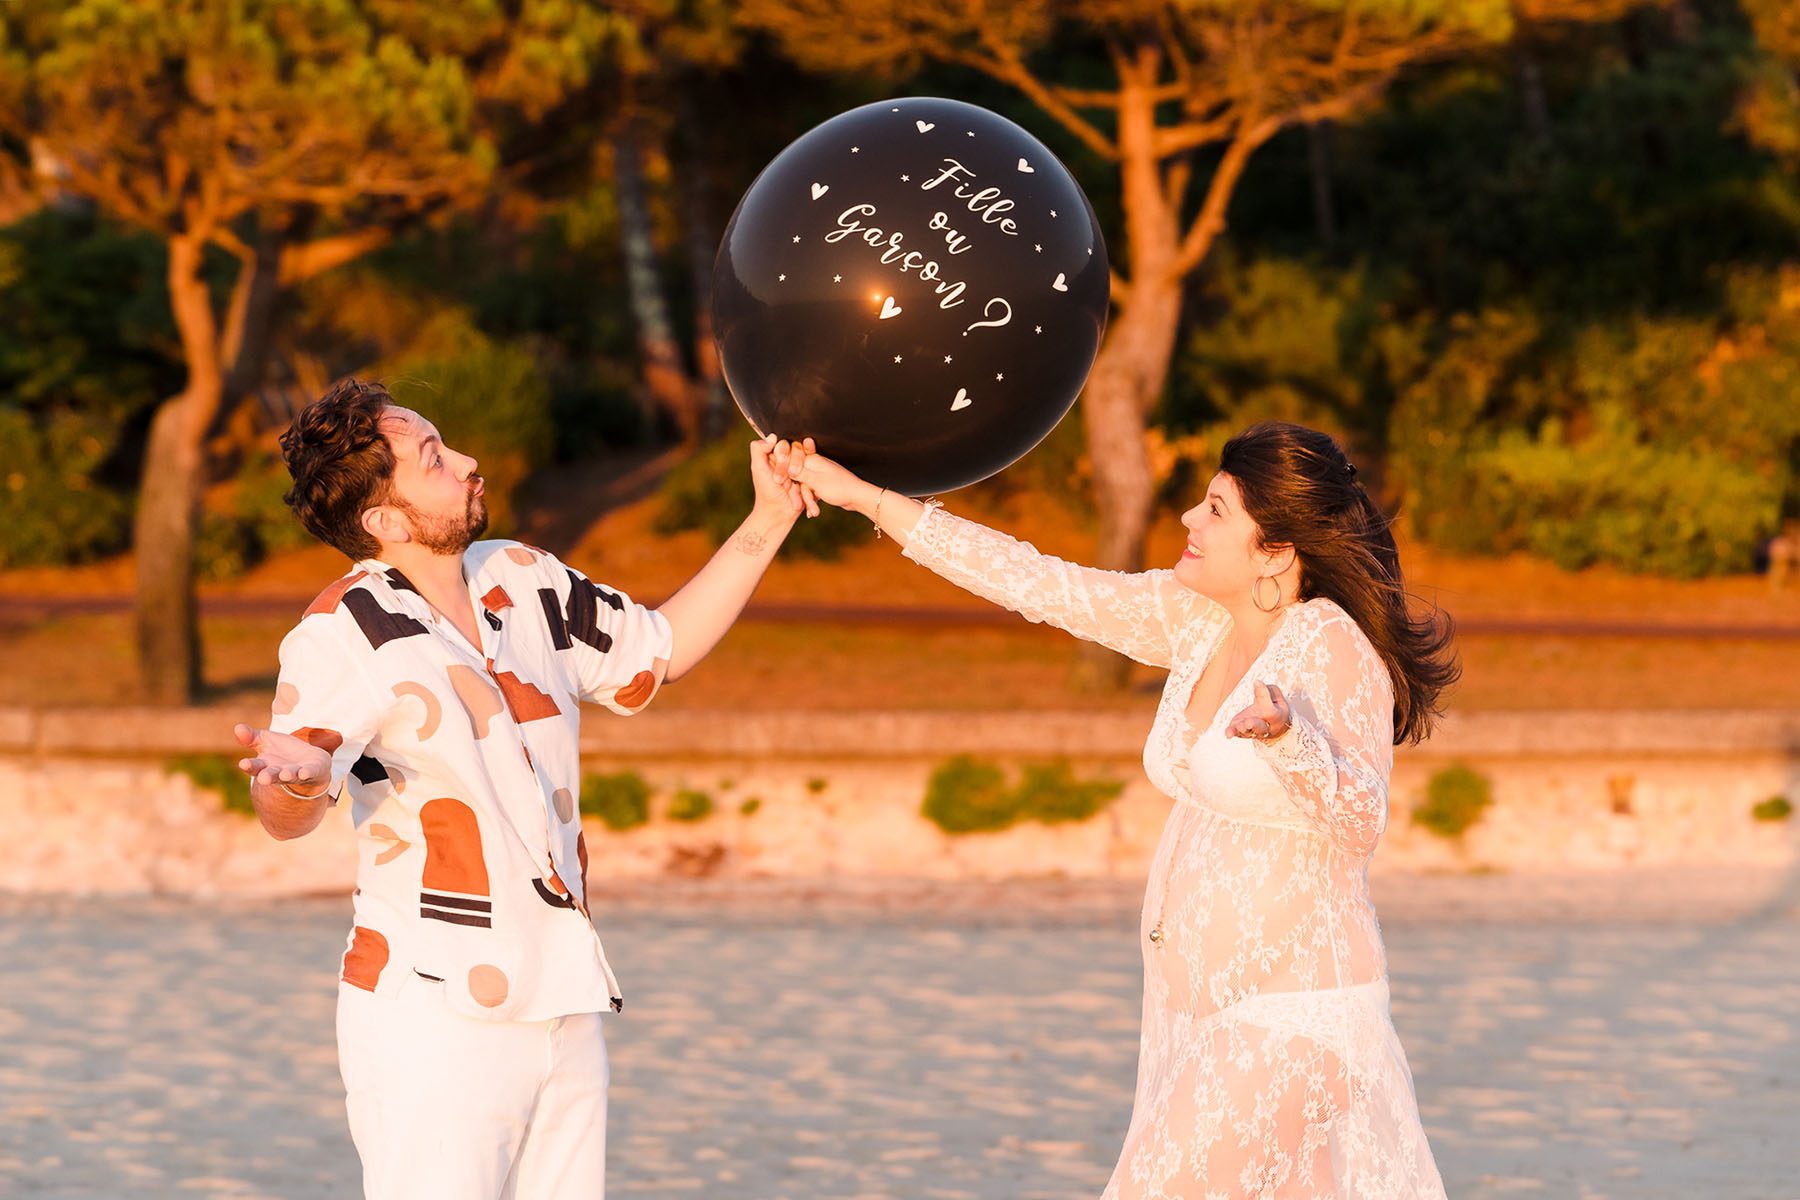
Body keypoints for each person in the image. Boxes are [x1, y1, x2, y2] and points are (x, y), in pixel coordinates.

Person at [786, 422, 1458, 1198]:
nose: (1188, 521)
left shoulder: (1327, 642)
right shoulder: (1198, 620)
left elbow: (1361, 819)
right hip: (1202, 1022)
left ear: (1274, 552)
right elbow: (1038, 582)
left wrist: (1290, 741)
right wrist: (865, 497)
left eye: (1215, 510)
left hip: (1292, 1017)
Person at [230, 377, 807, 1199]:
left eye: (448, 443)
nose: (467, 462)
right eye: (433, 460)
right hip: (431, 1016)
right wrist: (296, 780)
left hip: (565, 997)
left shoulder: (524, 577)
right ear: (384, 522)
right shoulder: (338, 635)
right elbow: (287, 813)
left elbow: (660, 651)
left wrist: (770, 516)